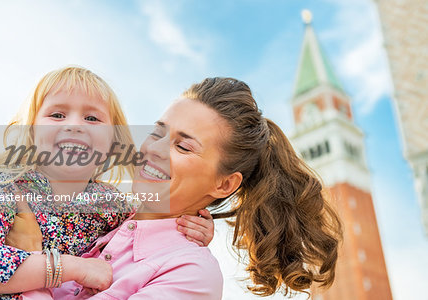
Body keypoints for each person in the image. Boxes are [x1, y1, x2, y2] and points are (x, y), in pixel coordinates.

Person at [48, 77, 342, 299]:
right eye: (157, 132)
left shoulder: (192, 274)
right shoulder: (97, 213)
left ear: (224, 183)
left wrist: (39, 263)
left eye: (184, 146)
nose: (155, 150)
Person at [0, 67, 214, 300]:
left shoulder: (108, 204)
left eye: (92, 118)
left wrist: (195, 226)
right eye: (57, 115)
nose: (74, 125)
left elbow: (145, 227)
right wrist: (73, 268)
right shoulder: (3, 185)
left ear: (113, 142)